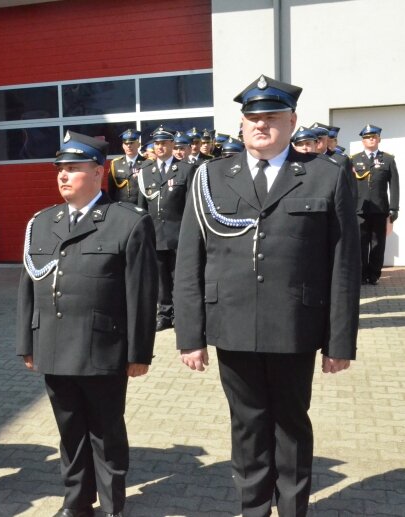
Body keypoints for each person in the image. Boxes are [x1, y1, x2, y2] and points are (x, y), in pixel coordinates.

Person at [175, 75, 361, 517]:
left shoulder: (326, 175)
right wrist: (189, 335)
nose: (261, 126)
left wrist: (340, 342)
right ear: (241, 125)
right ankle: (253, 508)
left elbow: (344, 265)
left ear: (292, 122)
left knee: (292, 425)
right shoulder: (211, 177)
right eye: (252, 118)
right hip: (231, 324)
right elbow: (189, 261)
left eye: (272, 118)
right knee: (247, 425)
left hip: (295, 324)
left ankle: (293, 509)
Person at [16, 130, 158, 517]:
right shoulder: (42, 223)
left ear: (98, 173)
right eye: (60, 169)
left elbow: (141, 295)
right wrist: (27, 343)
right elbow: (28, 287)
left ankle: (112, 506)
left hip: (102, 350)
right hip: (54, 346)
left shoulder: (126, 222)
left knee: (106, 433)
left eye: (73, 169)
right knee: (70, 433)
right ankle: (77, 502)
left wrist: (139, 352)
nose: (63, 176)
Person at [137, 126, 195, 331]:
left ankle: (180, 314)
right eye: (157, 144)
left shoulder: (186, 169)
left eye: (164, 143)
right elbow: (141, 207)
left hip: (178, 233)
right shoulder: (145, 171)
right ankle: (164, 314)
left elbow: (190, 205)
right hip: (155, 234)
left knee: (179, 276)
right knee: (160, 278)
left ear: (172, 144)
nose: (160, 147)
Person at [353, 124, 399, 285]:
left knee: (378, 243)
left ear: (379, 139)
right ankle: (361, 274)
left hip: (380, 209)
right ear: (363, 141)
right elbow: (348, 186)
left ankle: (374, 275)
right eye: (367, 137)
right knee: (360, 243)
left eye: (373, 136)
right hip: (359, 209)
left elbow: (394, 186)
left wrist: (394, 208)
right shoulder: (353, 159)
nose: (370, 139)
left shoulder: (388, 159)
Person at [107, 128, 145, 205]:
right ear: (123, 146)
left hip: (140, 205)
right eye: (126, 144)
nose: (129, 146)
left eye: (132, 143)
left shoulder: (146, 163)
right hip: (121, 206)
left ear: (138, 144)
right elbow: (111, 189)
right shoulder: (115, 164)